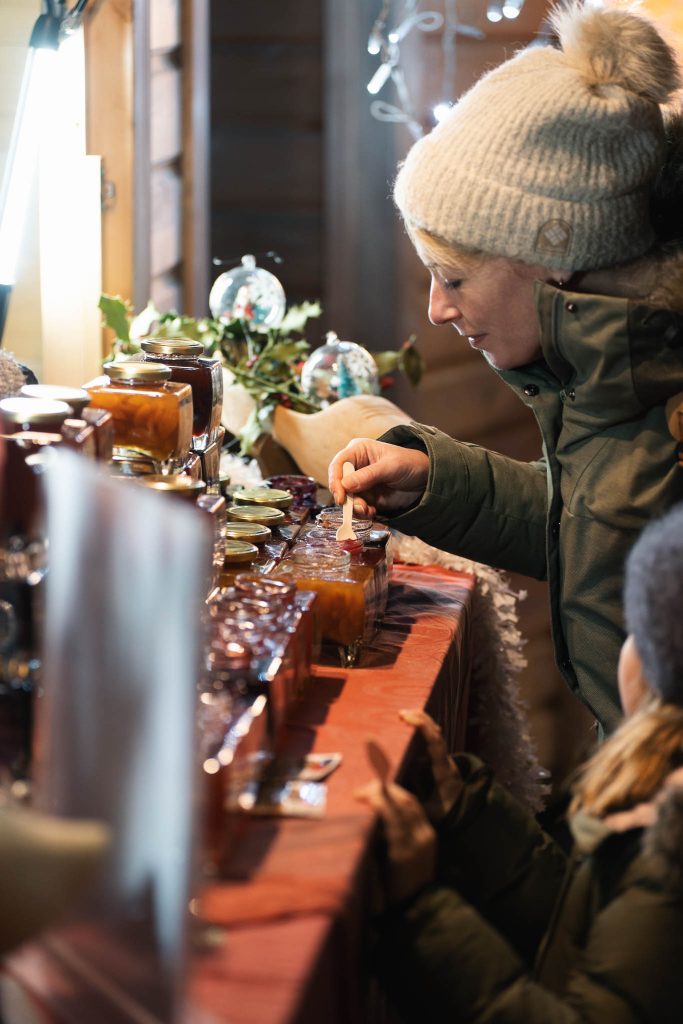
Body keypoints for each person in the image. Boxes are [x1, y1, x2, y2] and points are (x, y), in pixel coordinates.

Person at [329, 1, 683, 734]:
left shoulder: (658, 394)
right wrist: (438, 482)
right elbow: (601, 526)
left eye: (453, 278)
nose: (435, 310)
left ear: (549, 259)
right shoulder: (619, 375)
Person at [358, 500, 683, 1022]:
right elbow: (577, 930)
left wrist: (422, 913)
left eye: (637, 634)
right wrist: (468, 814)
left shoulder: (670, 852)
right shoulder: (655, 798)